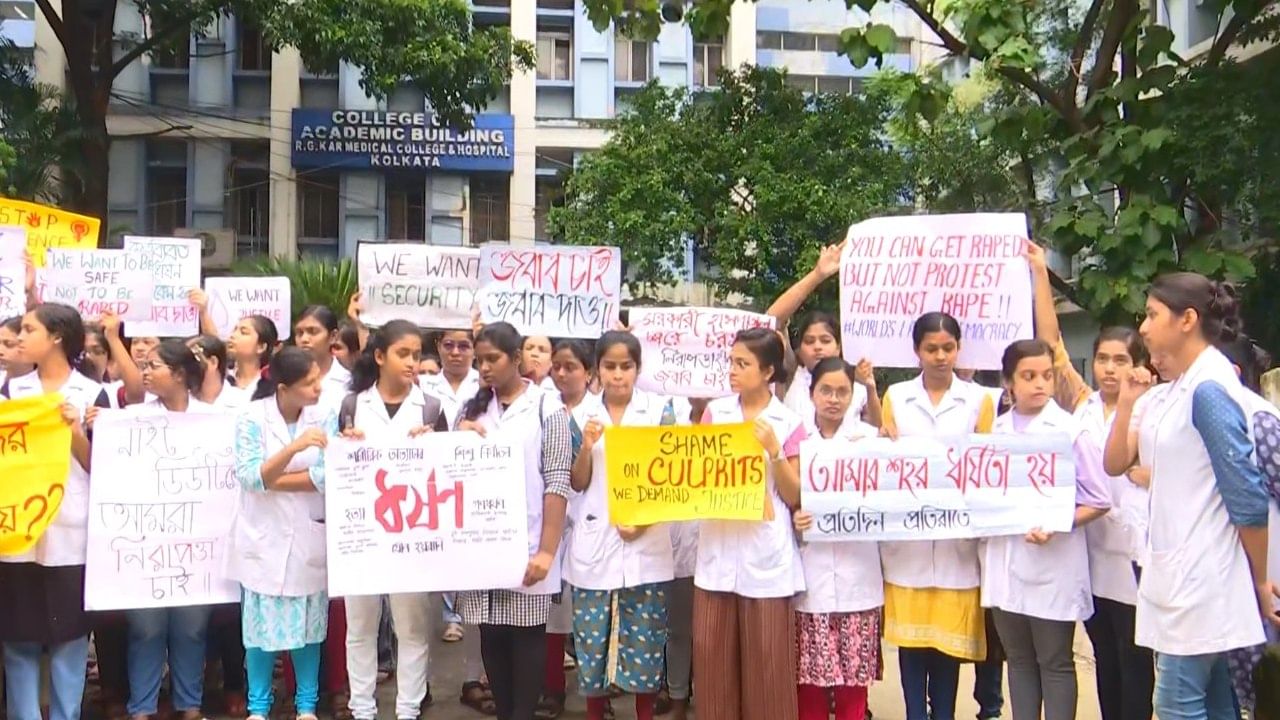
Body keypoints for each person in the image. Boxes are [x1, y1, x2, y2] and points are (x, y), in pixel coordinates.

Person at [1104, 273, 1277, 719]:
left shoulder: (1208, 390)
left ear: (1187, 320)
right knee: (1218, 700)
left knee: (1176, 702)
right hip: (1184, 575)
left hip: (1201, 580)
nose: (1142, 326)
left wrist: (1258, 581)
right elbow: (1120, 463)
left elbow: (1247, 496)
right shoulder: (1180, 388)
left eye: (1152, 314)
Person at [1027, 243, 1156, 720]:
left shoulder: (1154, 408)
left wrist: (1150, 471)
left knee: (1136, 661)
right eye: (1103, 359)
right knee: (1104, 658)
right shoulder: (1080, 404)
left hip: (1139, 556)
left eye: (1121, 360)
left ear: (1140, 365)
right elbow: (1053, 343)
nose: (1109, 368)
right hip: (1092, 555)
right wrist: (1041, 271)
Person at [983, 339, 1110, 720]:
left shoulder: (1070, 431)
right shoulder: (994, 432)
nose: (1039, 384)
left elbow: (1099, 499)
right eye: (1028, 376)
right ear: (1009, 382)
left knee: (1054, 660)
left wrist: (1058, 523)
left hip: (1053, 564)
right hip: (1006, 561)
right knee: (1018, 660)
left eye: (1046, 376)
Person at [879, 312, 996, 720]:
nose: (941, 356)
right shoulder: (894, 397)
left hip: (956, 548)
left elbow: (986, 466)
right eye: (932, 348)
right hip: (907, 547)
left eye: (948, 348)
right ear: (917, 352)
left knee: (948, 651)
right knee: (911, 652)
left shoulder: (980, 400)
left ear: (958, 349)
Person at [455, 322, 572, 720]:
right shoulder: (470, 410)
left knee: (526, 638)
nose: (485, 367)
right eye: (480, 359)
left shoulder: (546, 408)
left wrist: (546, 551)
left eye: (494, 359)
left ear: (516, 359)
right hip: (481, 545)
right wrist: (454, 439)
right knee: (491, 634)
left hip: (529, 542)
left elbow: (557, 482)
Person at [0, 303, 110, 720]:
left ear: (57, 337)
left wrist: (76, 433)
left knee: (69, 635)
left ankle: (67, 715)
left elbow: (101, 467)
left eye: (29, 330)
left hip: (70, 528)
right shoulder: (11, 392)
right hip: (17, 530)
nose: (20, 337)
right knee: (17, 634)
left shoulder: (91, 393)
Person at [337, 320, 448, 720]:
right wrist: (346, 446)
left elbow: (448, 475)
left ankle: (408, 710)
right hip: (363, 535)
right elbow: (339, 469)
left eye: (417, 355)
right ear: (380, 356)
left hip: (412, 536)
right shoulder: (353, 405)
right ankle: (362, 708)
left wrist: (434, 445)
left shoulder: (432, 409)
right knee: (361, 629)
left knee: (412, 629)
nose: (413, 362)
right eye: (404, 353)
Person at [694, 327, 806, 720]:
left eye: (743, 364)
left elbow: (795, 495)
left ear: (768, 371)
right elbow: (695, 476)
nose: (733, 371)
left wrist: (775, 452)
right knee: (712, 663)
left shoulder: (788, 422)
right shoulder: (715, 413)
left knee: (768, 667)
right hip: (718, 549)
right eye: (732, 362)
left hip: (766, 556)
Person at [565, 331, 675, 720]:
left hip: (645, 543)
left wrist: (643, 524)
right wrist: (585, 447)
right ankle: (596, 713)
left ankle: (645, 714)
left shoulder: (660, 411)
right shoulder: (580, 415)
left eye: (625, 366)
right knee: (593, 644)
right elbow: (577, 482)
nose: (617, 375)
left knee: (643, 645)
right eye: (609, 367)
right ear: (597, 370)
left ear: (637, 369)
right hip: (595, 540)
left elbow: (671, 479)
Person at [225, 347, 337, 720]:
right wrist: (293, 449)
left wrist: (272, 481)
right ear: (284, 387)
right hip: (263, 539)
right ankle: (259, 707)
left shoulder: (327, 415)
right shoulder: (251, 418)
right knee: (259, 634)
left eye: (319, 378)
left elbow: (324, 477)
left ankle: (306, 706)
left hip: (308, 536)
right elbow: (249, 476)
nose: (319, 388)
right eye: (310, 383)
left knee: (308, 630)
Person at [118, 339, 219, 720]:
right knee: (145, 629)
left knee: (192, 629)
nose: (145, 372)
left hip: (196, 545)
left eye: (153, 366)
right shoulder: (130, 421)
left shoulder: (213, 420)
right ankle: (141, 707)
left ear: (178, 374)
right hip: (145, 544)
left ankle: (189, 705)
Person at [791, 358, 883, 720]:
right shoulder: (796, 442)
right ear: (811, 393)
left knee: (853, 684)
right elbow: (784, 497)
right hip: (811, 580)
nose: (834, 399)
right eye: (825, 390)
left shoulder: (872, 442)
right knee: (810, 682)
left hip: (859, 580)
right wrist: (795, 518)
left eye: (842, 391)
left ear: (853, 394)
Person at [766, 241, 881, 427]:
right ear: (800, 350)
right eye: (809, 341)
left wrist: (869, 389)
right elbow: (772, 321)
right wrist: (818, 275)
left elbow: (877, 431)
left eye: (825, 340)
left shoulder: (858, 383)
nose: (817, 347)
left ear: (838, 348)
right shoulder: (791, 375)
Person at [293, 305, 351, 410]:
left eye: (313, 332)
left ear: (333, 336)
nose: (304, 339)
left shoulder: (349, 382)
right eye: (299, 333)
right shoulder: (285, 382)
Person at [225, 315, 279, 393]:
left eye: (243, 332)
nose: (232, 336)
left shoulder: (272, 386)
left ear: (261, 347)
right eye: (234, 330)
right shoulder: (221, 379)